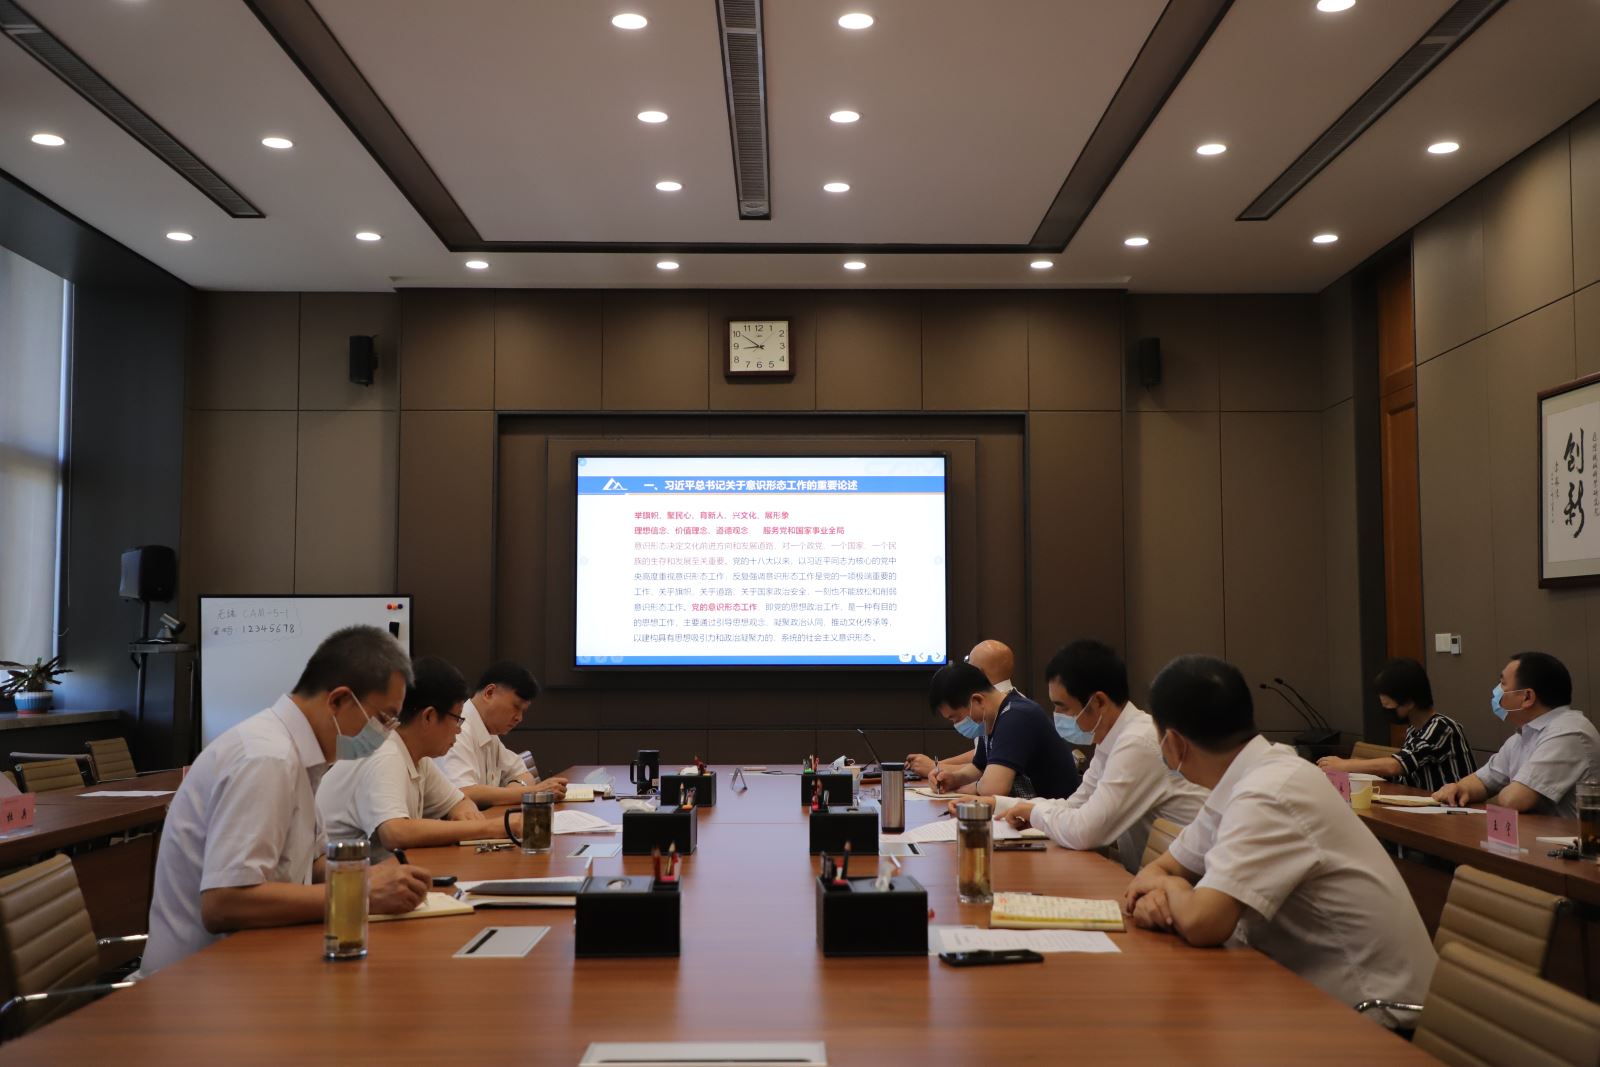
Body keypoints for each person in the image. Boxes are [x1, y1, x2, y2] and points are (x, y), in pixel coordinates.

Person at [1123, 654, 1434, 1029]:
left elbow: (1203, 922)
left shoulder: (1268, 792)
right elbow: (1156, 871)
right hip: (1307, 993)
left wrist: (1171, 889)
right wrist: (1166, 888)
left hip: (1378, 1019)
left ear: (1173, 742)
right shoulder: (1247, 777)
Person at [143, 626, 432, 976]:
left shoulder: (301, 757)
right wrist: (363, 892)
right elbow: (224, 902)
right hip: (197, 984)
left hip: (255, 960)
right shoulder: (266, 758)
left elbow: (309, 865)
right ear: (338, 700)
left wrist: (368, 874)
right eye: (384, 718)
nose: (385, 733)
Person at [992, 640, 1208, 872]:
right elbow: (1076, 805)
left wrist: (1033, 812)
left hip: (1188, 884)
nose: (1056, 714)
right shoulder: (1113, 740)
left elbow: (1085, 831)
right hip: (1149, 876)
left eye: (1063, 707)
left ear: (1098, 702)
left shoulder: (1137, 742)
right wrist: (1002, 805)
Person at [317, 656, 520, 863]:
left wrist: (468, 818)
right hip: (338, 879)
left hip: (379, 873)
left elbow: (458, 802)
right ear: (428, 716)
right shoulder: (385, 752)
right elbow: (395, 833)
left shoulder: (416, 754)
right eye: (457, 719)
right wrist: (491, 827)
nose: (459, 730)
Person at [1433, 652, 1600, 818]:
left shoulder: (1568, 732)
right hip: (1533, 833)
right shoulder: (1522, 736)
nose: (1496, 691)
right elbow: (1482, 781)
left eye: (1503, 684)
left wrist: (1489, 800)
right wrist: (1459, 789)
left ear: (1527, 697)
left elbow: (1514, 800)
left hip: (1576, 835)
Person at [925, 661, 1080, 800]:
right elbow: (978, 767)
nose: (957, 725)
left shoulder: (1017, 716)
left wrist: (973, 788)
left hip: (1055, 814)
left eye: (956, 718)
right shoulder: (991, 718)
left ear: (977, 700)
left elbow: (994, 788)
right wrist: (954, 779)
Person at [1315, 658, 1474, 792]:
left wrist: (1345, 765)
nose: (1386, 711)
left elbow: (1397, 765)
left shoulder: (1442, 727)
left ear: (1409, 702)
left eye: (1389, 706)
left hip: (1453, 810)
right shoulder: (1414, 729)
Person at [437, 661, 568, 806]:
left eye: (523, 711)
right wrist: (531, 792)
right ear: (489, 693)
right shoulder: (457, 729)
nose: (519, 718)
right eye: (516, 707)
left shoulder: (489, 731)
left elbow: (524, 774)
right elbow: (463, 792)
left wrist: (516, 792)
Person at [905, 639, 1022, 781]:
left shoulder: (1010, 714)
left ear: (978, 674)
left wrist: (936, 767)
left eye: (968, 664)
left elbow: (990, 774)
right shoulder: (1007, 703)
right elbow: (982, 757)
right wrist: (939, 765)